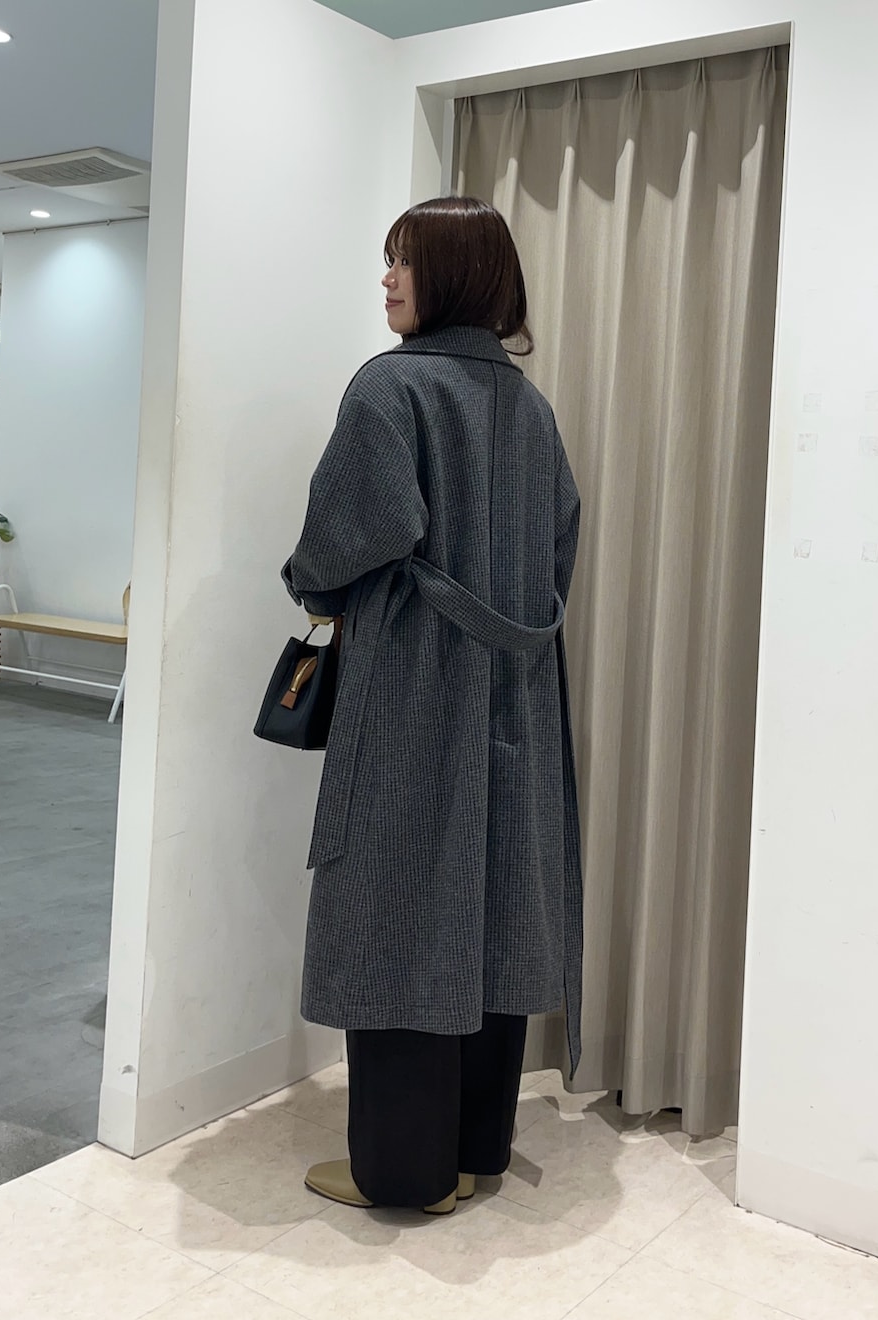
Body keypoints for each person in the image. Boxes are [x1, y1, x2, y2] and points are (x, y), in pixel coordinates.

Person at [282, 196, 583, 1217]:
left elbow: (340, 542)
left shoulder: (392, 386)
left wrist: (312, 586)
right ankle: (474, 1149)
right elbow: (559, 550)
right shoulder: (529, 408)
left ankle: (405, 1172)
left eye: (403, 261)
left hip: (415, 687)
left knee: (398, 904)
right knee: (494, 901)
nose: (386, 279)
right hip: (518, 695)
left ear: (452, 274)